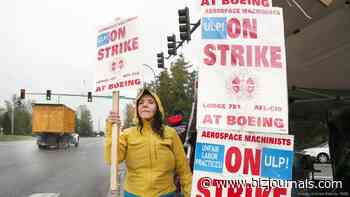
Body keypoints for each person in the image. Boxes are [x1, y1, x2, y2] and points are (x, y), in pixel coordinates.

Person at [104, 88, 192, 197]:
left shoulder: (170, 133)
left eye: (150, 102)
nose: (145, 105)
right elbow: (111, 159)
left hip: (165, 194)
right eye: (141, 103)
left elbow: (183, 168)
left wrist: (189, 192)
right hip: (134, 194)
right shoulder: (127, 134)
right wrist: (111, 131)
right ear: (137, 110)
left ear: (158, 108)